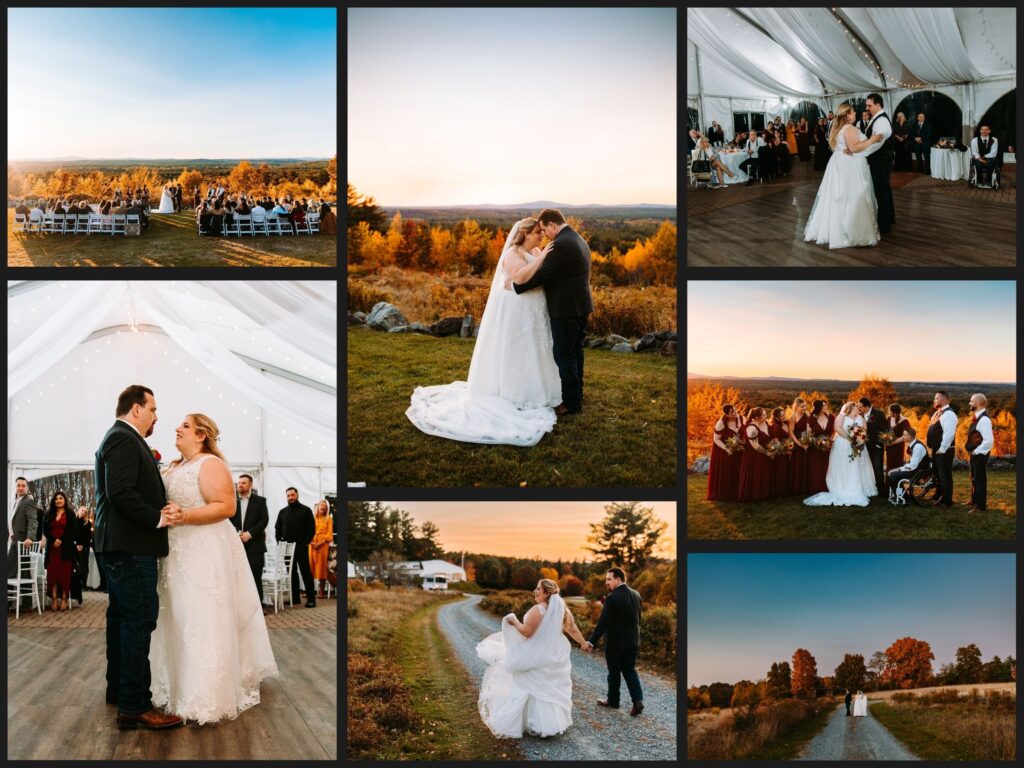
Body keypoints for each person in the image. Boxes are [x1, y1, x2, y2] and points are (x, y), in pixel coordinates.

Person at [149, 413, 278, 723]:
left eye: (185, 426)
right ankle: (174, 685)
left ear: (201, 435)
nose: (176, 429)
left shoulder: (211, 464)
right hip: (175, 551)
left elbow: (226, 507)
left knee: (201, 615)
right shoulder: (174, 467)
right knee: (177, 615)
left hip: (203, 549)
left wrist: (184, 516)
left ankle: (207, 692)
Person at [406, 217, 561, 445]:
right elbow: (519, 277)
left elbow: (540, 276)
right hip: (518, 312)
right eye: (538, 232)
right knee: (517, 351)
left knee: (535, 351)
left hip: (533, 310)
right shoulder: (512, 254)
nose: (541, 235)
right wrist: (544, 256)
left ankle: (538, 391)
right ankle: (514, 393)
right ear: (526, 233)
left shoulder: (537, 250)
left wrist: (543, 257)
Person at [93, 385, 183, 730]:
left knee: (121, 618)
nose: (156, 416)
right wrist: (157, 518)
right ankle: (134, 704)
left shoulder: (119, 438)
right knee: (139, 619)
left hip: (120, 545)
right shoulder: (124, 439)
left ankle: (118, 688)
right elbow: (120, 492)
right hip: (131, 546)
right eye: (153, 409)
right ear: (136, 409)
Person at [475, 578, 587, 737]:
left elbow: (527, 632)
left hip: (536, 654)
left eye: (538, 589)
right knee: (547, 687)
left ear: (547, 593)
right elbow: (572, 628)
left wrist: (514, 621)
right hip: (554, 654)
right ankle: (547, 725)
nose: (535, 591)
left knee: (525, 686)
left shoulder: (538, 610)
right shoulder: (562, 609)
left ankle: (524, 723)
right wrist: (583, 643)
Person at [512, 209, 593, 417]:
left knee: (564, 354)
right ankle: (577, 394)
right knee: (575, 352)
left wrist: (517, 286)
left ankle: (571, 403)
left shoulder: (561, 243)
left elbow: (544, 275)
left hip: (566, 309)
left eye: (544, 230)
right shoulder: (577, 239)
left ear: (552, 225)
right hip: (580, 306)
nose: (544, 235)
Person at [803, 101, 883, 249]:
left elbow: (847, 147)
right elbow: (854, 148)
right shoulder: (849, 128)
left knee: (837, 197)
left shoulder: (838, 128)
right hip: (849, 166)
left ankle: (834, 227)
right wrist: (871, 139)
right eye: (852, 112)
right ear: (846, 115)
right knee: (852, 196)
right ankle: (852, 231)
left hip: (838, 164)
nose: (855, 114)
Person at [588, 568, 644, 716]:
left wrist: (591, 642)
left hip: (615, 643)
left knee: (614, 672)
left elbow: (603, 623)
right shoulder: (636, 595)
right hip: (632, 642)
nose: (606, 582)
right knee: (629, 670)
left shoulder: (612, 598)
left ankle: (613, 701)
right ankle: (638, 701)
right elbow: (638, 619)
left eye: (609, 579)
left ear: (618, 579)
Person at [803, 402, 877, 507]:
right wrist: (850, 438)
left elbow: (865, 429)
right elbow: (837, 428)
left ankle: (861, 486)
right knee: (845, 466)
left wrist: (860, 436)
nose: (859, 408)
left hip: (858, 444)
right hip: (843, 444)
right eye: (857, 407)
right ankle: (844, 485)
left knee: (858, 465)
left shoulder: (860, 418)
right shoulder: (842, 417)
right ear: (851, 408)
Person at [858, 93, 896, 235]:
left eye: (869, 105)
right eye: (867, 105)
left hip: (880, 161)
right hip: (880, 161)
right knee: (885, 190)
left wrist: (860, 153)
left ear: (878, 105)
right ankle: (890, 218)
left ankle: (884, 225)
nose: (867, 108)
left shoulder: (881, 121)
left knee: (882, 192)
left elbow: (876, 145)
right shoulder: (877, 118)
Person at [231, 473, 269, 609]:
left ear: (251, 485)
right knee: (238, 577)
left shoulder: (260, 501)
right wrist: (236, 533)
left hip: (255, 546)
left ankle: (258, 606)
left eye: (243, 483)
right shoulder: (232, 501)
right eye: (238, 483)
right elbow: (229, 520)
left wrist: (249, 534)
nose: (239, 485)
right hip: (236, 545)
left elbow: (264, 521)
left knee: (255, 576)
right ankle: (242, 607)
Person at [275, 487, 316, 607]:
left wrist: (306, 542)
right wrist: (279, 541)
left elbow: (311, 529)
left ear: (297, 495)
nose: (290, 498)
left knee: (305, 572)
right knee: (291, 573)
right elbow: (277, 528)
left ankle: (311, 599)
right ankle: (295, 598)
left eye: (292, 495)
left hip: (301, 546)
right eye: (288, 496)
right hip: (286, 547)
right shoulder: (282, 512)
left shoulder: (306, 510)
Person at [43, 491, 78, 611]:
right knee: (52, 574)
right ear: (53, 501)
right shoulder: (49, 513)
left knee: (65, 574)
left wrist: (61, 540)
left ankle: (64, 598)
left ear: (65, 500)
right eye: (56, 499)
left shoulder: (70, 514)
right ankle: (53, 599)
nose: (58, 500)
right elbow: (45, 529)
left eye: (61, 498)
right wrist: (53, 540)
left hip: (65, 548)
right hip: (52, 549)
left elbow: (73, 530)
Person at [707, 404, 744, 501]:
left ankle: (739, 492)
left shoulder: (740, 418)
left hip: (740, 449)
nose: (736, 413)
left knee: (739, 470)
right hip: (725, 451)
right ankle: (727, 493)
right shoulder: (721, 423)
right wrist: (727, 448)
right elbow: (716, 439)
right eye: (733, 412)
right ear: (727, 414)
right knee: (728, 471)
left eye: (736, 410)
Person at [927, 391, 958, 507]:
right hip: (936, 449)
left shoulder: (949, 414)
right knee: (937, 474)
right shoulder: (937, 413)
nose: (934, 400)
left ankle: (946, 501)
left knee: (944, 475)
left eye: (936, 398)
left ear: (944, 400)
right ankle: (938, 496)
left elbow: (949, 434)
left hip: (944, 450)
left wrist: (942, 449)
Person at [965, 393, 994, 512]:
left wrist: (976, 451)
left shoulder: (984, 420)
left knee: (979, 480)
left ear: (978, 403)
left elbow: (989, 440)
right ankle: (974, 501)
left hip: (980, 455)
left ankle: (980, 506)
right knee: (974, 478)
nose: (969, 403)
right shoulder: (978, 417)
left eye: (971, 401)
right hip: (975, 454)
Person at [886, 426, 929, 503]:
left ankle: (901, 496)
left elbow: (912, 466)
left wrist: (898, 469)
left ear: (909, 436)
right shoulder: (913, 444)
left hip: (919, 472)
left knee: (893, 475)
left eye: (904, 435)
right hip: (915, 469)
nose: (903, 437)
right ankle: (902, 495)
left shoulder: (918, 447)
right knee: (893, 474)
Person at [737, 408, 772, 501]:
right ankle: (753, 495)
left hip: (761, 454)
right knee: (755, 473)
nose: (766, 416)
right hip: (753, 455)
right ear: (757, 417)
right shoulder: (752, 428)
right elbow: (755, 445)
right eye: (764, 415)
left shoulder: (762, 424)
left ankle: (762, 494)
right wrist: (766, 452)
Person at [859, 396, 887, 496]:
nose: (860, 409)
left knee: (878, 468)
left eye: (861, 407)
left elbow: (883, 430)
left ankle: (881, 491)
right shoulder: (860, 415)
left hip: (876, 447)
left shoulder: (879, 414)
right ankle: (870, 488)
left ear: (867, 406)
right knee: (866, 468)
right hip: (864, 447)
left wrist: (879, 444)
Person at [806, 400, 834, 494]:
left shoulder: (831, 417)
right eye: (823, 406)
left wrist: (829, 441)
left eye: (826, 405)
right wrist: (816, 442)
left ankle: (828, 486)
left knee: (827, 467)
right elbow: (808, 433)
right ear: (818, 408)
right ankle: (816, 488)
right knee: (816, 468)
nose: (826, 407)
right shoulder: (811, 418)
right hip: (815, 448)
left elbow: (834, 431)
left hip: (828, 447)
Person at [309, 500, 333, 599]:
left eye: (325, 506)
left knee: (321, 567)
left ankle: (321, 592)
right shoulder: (313, 518)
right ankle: (310, 591)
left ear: (327, 508)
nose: (323, 507)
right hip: (312, 544)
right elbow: (308, 530)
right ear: (318, 507)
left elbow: (329, 534)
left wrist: (321, 542)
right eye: (321, 505)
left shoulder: (328, 518)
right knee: (311, 566)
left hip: (323, 545)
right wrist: (311, 542)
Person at [787, 398, 811, 495]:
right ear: (796, 407)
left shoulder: (807, 414)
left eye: (805, 406)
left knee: (806, 465)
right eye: (802, 406)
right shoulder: (793, 416)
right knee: (798, 466)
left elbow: (809, 428)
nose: (805, 408)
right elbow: (791, 432)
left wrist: (808, 441)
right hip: (797, 444)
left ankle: (806, 487)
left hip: (807, 442)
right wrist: (799, 444)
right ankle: (797, 488)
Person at [769, 407, 791, 497]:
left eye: (784, 414)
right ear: (776, 417)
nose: (784, 416)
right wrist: (784, 450)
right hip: (780, 452)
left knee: (787, 470)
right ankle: (779, 492)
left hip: (788, 448)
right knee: (780, 471)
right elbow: (776, 440)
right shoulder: (775, 426)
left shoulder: (786, 423)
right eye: (782, 415)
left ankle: (786, 489)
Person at [884, 404, 911, 472]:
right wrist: (885, 440)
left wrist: (893, 442)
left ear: (895, 413)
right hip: (889, 447)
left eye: (889, 411)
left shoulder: (904, 421)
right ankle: (889, 482)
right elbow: (885, 431)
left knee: (897, 464)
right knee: (889, 465)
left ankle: (897, 481)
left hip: (898, 447)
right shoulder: (888, 419)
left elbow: (906, 436)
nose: (888, 412)